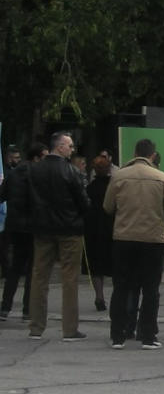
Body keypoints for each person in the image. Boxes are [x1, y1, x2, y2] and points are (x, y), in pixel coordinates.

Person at [103, 138, 164, 349]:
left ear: (135, 152)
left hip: (124, 238)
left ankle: (117, 335)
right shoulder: (163, 178)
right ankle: (148, 335)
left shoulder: (119, 177)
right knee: (151, 289)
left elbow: (108, 206)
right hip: (153, 239)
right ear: (152, 155)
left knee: (121, 287)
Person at [24, 132, 89, 341]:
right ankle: (69, 329)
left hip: (42, 230)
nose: (72, 150)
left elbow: (28, 199)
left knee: (39, 277)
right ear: (60, 147)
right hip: (69, 230)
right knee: (69, 279)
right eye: (69, 146)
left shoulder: (34, 170)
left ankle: (36, 326)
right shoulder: (71, 172)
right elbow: (83, 202)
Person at [0, 143, 46, 322]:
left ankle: (5, 307)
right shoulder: (37, 175)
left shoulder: (14, 174)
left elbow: (2, 195)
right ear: (36, 158)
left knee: (15, 267)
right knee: (33, 269)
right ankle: (28, 309)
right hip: (33, 226)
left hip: (15, 225)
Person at [83, 156, 114, 312]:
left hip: (93, 230)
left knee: (96, 265)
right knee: (115, 263)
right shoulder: (114, 186)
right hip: (112, 228)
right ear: (109, 168)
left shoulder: (90, 188)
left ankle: (99, 296)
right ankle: (117, 294)